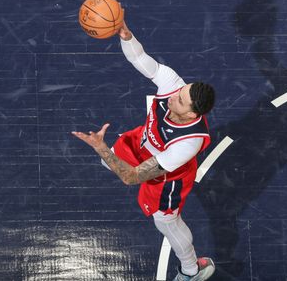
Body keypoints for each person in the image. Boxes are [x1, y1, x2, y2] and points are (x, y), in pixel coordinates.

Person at [71, 17, 217, 281]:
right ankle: (111, 156)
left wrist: (101, 148)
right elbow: (142, 61)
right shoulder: (174, 86)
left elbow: (131, 177)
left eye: (180, 100)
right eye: (180, 91)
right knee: (114, 159)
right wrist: (126, 36)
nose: (173, 95)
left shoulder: (189, 141)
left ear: (192, 112)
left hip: (166, 176)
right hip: (141, 142)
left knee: (166, 222)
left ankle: (191, 270)